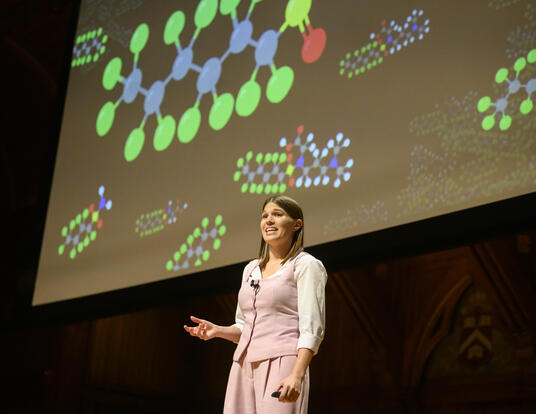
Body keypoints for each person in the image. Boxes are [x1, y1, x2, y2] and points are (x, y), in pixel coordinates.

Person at [184, 195, 327, 413]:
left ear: (297, 225)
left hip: (282, 363)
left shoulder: (306, 265)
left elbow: (312, 329)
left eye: (277, 215)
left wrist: (297, 375)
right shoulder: (251, 269)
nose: (269, 220)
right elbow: (244, 326)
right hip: (243, 365)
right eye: (265, 216)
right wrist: (218, 331)